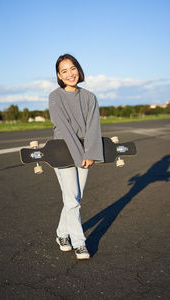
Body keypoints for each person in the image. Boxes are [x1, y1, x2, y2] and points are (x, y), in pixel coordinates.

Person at [49, 54, 104, 259]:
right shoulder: (55, 96)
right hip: (62, 152)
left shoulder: (90, 97)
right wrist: (80, 155)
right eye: (64, 71)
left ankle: (61, 234)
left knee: (74, 199)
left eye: (72, 69)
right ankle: (79, 243)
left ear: (78, 70)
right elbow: (64, 128)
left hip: (84, 154)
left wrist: (90, 153)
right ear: (59, 76)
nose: (70, 74)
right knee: (72, 200)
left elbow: (93, 127)